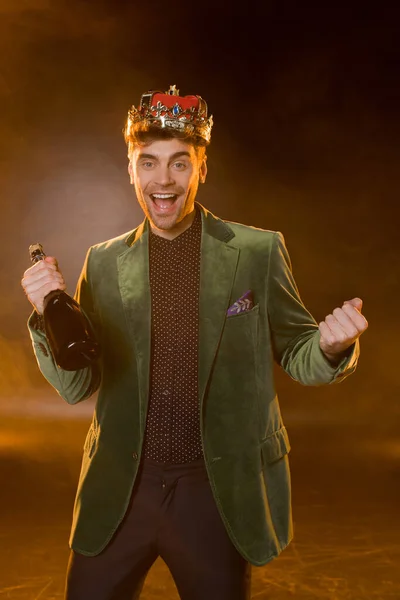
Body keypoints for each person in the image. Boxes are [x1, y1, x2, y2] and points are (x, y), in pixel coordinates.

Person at [21, 85, 368, 600]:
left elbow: (299, 353)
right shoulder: (102, 262)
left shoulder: (257, 251)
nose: (163, 180)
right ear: (132, 170)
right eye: (149, 163)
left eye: (180, 163)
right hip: (122, 488)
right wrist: (44, 314)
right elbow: (78, 385)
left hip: (214, 491)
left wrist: (332, 347)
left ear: (202, 168)